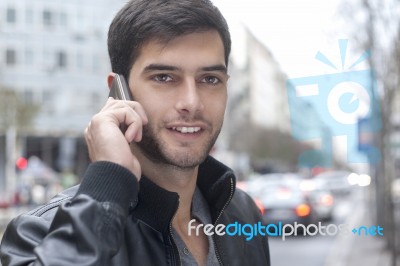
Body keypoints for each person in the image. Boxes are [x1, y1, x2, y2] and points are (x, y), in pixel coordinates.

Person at [0, 0, 270, 265]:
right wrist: (108, 184)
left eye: (210, 79)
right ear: (119, 92)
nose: (192, 102)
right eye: (164, 77)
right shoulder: (42, 234)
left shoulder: (242, 214)